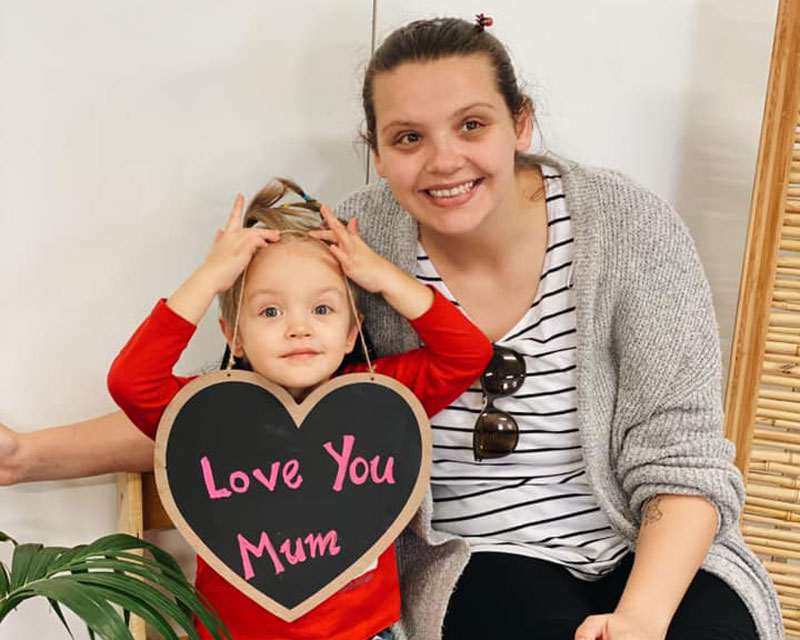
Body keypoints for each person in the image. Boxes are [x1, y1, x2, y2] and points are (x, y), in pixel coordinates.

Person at [0, 15, 783, 640]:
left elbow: (682, 457)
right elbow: (241, 419)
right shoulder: (350, 243)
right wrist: (29, 457)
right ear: (376, 151)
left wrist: (641, 618)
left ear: (521, 121)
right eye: (408, 137)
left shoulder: (630, 228)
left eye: (471, 125)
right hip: (476, 561)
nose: (443, 161)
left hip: (647, 545)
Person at [105, 177, 493, 640]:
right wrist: (209, 278)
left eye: (323, 310)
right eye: (271, 312)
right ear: (234, 337)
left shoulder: (380, 395)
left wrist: (383, 276)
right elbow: (131, 382)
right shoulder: (212, 411)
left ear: (352, 333)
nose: (299, 329)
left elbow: (468, 353)